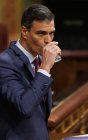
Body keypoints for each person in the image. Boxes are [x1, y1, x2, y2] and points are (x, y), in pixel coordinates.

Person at [0, 4, 61, 140]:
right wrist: (45, 68)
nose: (48, 40)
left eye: (51, 33)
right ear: (25, 32)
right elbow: (24, 107)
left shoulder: (39, 60)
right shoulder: (4, 63)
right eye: (41, 33)